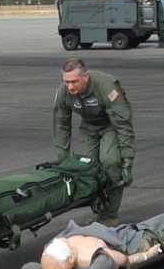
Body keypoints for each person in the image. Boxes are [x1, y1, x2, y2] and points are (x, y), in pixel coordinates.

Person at [52, 59, 135, 225]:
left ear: (86, 77)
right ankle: (97, 205)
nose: (70, 87)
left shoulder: (107, 88)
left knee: (110, 162)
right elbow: (61, 125)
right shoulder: (64, 92)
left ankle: (110, 215)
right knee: (84, 167)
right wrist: (63, 161)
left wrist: (127, 163)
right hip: (89, 126)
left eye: (74, 81)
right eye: (66, 81)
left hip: (111, 124)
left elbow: (123, 125)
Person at [39, 207, 164, 269]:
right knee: (161, 237)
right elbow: (126, 260)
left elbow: (124, 261)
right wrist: (148, 254)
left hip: (119, 234)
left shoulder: (68, 243)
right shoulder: (91, 255)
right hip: (135, 243)